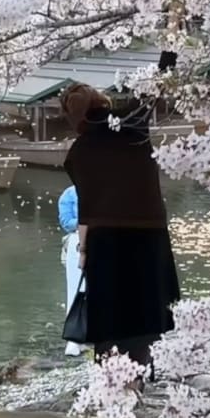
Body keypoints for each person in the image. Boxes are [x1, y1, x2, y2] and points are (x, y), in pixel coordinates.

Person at [60, 82, 181, 383]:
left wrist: (84, 251)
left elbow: (86, 211)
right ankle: (141, 373)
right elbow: (159, 81)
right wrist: (173, 40)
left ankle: (112, 384)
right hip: (146, 236)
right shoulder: (132, 123)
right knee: (145, 313)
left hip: (105, 242)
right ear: (102, 103)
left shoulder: (78, 153)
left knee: (111, 320)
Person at [57, 185, 87, 357]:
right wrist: (85, 221)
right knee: (75, 289)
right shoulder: (69, 194)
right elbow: (66, 222)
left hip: (103, 239)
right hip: (77, 240)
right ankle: (74, 338)